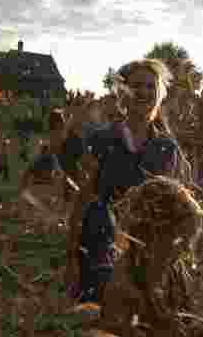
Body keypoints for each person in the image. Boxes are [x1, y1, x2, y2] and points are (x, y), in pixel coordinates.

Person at [65, 59, 190, 305]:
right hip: (101, 248)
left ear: (159, 94)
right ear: (123, 93)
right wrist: (71, 256)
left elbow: (175, 210)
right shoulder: (101, 139)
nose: (143, 92)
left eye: (149, 86)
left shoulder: (167, 148)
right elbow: (82, 200)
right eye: (136, 86)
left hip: (149, 253)